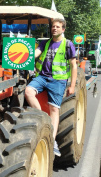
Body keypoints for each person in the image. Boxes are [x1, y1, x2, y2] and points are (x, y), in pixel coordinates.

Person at [25, 18, 77, 157]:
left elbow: (73, 65)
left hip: (58, 80)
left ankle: (51, 141)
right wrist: (27, 48)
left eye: (57, 27)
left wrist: (72, 85)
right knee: (28, 91)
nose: (54, 28)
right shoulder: (45, 43)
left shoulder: (68, 44)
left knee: (54, 108)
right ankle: (43, 118)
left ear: (63, 29)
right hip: (42, 77)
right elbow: (35, 54)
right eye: (53, 26)